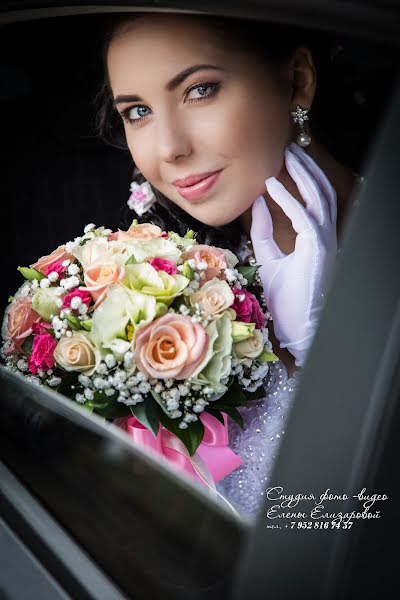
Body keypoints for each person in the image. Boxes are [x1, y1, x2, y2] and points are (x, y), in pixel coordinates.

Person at [94, 11, 363, 517]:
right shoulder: (177, 278)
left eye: (200, 90)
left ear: (297, 82)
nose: (170, 148)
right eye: (137, 112)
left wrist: (321, 360)